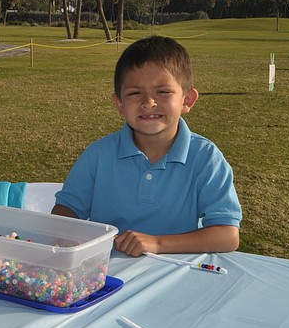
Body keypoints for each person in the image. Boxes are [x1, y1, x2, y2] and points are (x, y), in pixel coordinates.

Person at [52, 36, 242, 257]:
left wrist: (157, 244)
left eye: (163, 92)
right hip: (105, 273)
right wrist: (64, 233)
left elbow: (227, 235)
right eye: (134, 93)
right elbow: (66, 211)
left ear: (187, 100)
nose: (148, 102)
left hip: (177, 274)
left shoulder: (206, 158)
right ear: (119, 103)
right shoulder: (98, 155)